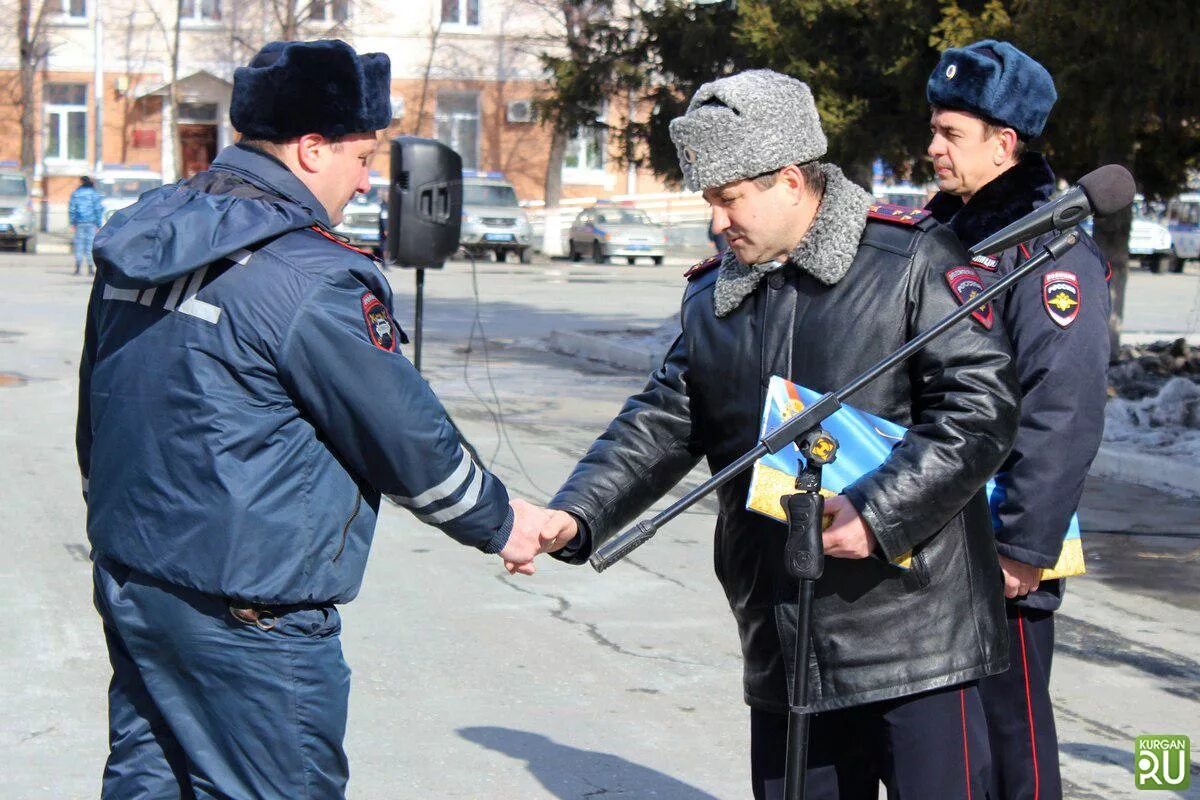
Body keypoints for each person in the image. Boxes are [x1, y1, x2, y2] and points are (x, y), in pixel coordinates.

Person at [76, 39, 552, 799]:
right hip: (251, 619)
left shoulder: (147, 235)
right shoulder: (312, 275)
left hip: (137, 583)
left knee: (150, 783)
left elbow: (94, 416)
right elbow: (406, 438)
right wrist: (503, 521)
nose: (367, 182)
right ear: (309, 150)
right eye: (362, 158)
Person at [534, 69, 1021, 799]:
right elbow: (666, 417)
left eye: (729, 199)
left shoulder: (912, 264)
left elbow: (979, 410)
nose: (716, 223)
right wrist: (576, 514)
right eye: (709, 202)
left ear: (791, 180)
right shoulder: (714, 294)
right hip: (785, 634)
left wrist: (879, 512)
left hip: (916, 635)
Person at [925, 40, 1111, 800]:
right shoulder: (937, 236)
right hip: (927, 532)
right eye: (933, 130)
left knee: (1012, 743)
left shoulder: (1050, 253)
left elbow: (1061, 407)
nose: (933, 147)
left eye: (951, 135)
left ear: (1004, 144)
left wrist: (1024, 547)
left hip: (1002, 545)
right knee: (947, 747)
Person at [68, 175, 104, 275]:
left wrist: (72, 222)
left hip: (79, 222)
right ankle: (90, 268)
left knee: (79, 244)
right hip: (91, 222)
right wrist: (99, 223)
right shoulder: (94, 194)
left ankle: (78, 267)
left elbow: (72, 209)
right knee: (90, 245)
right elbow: (98, 209)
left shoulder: (76, 194)